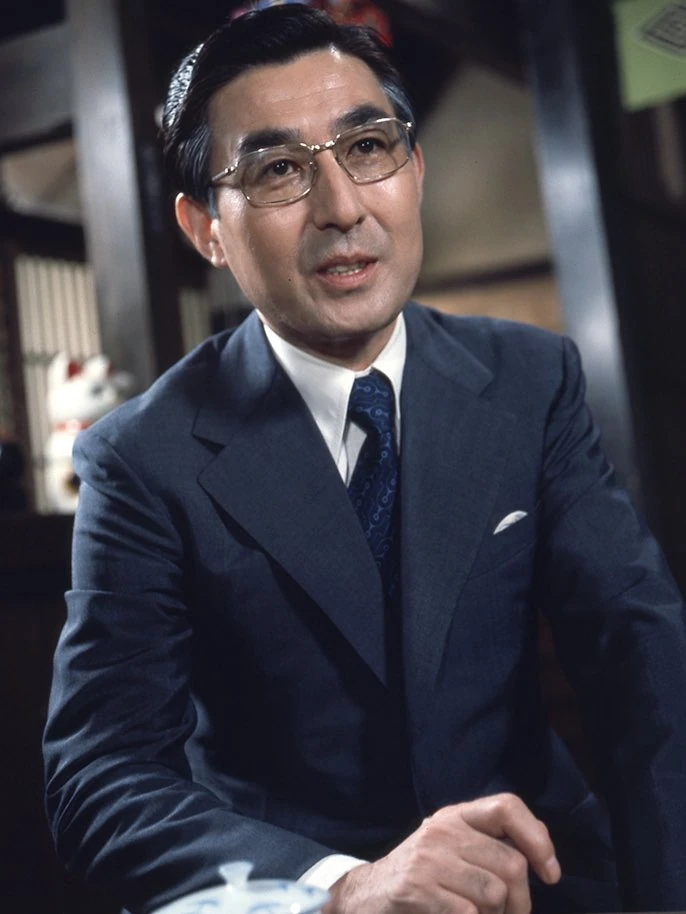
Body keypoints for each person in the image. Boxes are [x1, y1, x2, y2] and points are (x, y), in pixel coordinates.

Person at [43, 5, 686, 914]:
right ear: (206, 228)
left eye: (368, 147)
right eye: (277, 170)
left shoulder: (530, 379)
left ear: (414, 168)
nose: (342, 208)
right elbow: (98, 779)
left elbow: (641, 657)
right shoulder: (142, 458)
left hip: (537, 874)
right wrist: (343, 888)